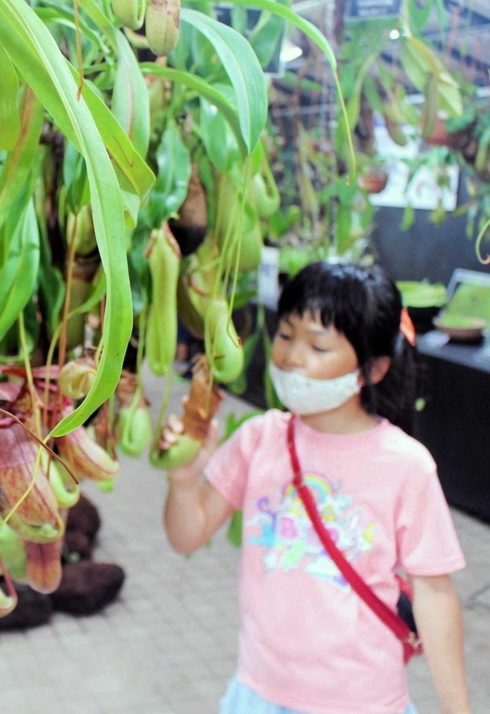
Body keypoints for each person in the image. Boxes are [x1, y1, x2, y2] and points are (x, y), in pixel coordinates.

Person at [163, 261, 470, 714]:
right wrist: (185, 480)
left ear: (373, 368)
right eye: (286, 335)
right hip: (259, 695)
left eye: (317, 345)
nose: (289, 357)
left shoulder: (405, 466)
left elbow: (434, 594)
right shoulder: (259, 438)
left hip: (363, 702)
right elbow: (185, 535)